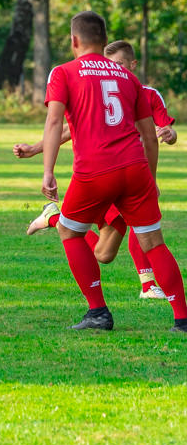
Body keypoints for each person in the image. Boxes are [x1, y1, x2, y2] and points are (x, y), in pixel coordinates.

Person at [39, 11, 186, 332]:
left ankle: (98, 312)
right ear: (105, 42)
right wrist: (151, 178)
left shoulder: (64, 72)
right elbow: (149, 136)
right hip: (136, 169)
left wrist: (48, 170)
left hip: (95, 170)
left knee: (69, 232)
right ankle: (182, 319)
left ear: (74, 41)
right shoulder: (130, 78)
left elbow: (54, 122)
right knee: (153, 242)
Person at [17, 40, 177, 300]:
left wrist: (169, 136)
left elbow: (160, 131)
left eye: (120, 65)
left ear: (132, 65)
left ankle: (53, 218)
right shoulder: (92, 82)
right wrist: (36, 149)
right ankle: (147, 285)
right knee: (140, 231)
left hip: (131, 174)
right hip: (104, 174)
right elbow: (65, 127)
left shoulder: (144, 92)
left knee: (105, 253)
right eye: (110, 64)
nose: (113, 69)